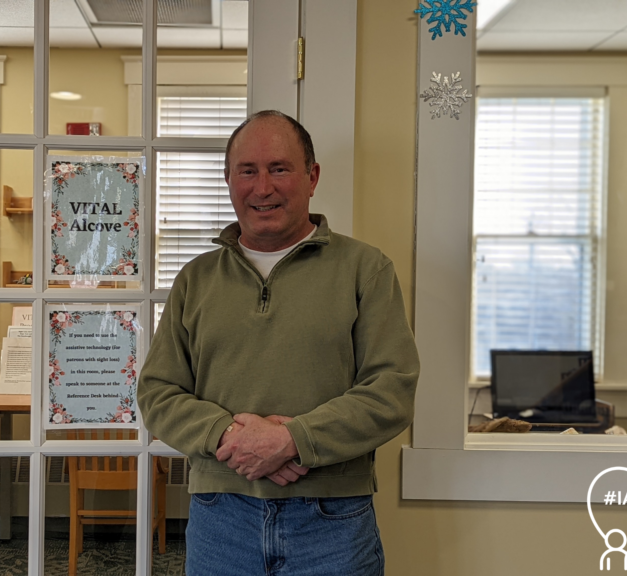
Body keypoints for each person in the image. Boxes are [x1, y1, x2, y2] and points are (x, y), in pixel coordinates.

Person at [138, 110, 420, 575]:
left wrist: (292, 440)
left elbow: (390, 391)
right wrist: (230, 436)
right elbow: (157, 393)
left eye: (279, 169)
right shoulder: (196, 279)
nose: (262, 187)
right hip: (219, 518)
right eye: (247, 171)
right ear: (228, 180)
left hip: (332, 523)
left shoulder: (365, 270)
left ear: (311, 177)